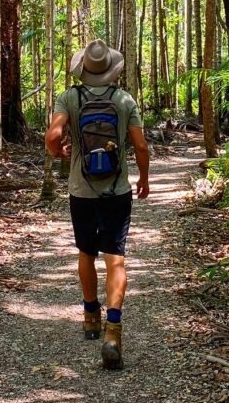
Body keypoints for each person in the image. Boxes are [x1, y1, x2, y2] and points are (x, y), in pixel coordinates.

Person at [45, 39, 150, 370]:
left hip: (81, 189)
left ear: (84, 69)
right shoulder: (124, 100)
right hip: (116, 190)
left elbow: (52, 136)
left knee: (86, 254)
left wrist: (57, 152)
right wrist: (143, 178)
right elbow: (141, 146)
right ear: (111, 69)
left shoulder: (69, 98)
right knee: (115, 259)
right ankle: (113, 331)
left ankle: (91, 314)